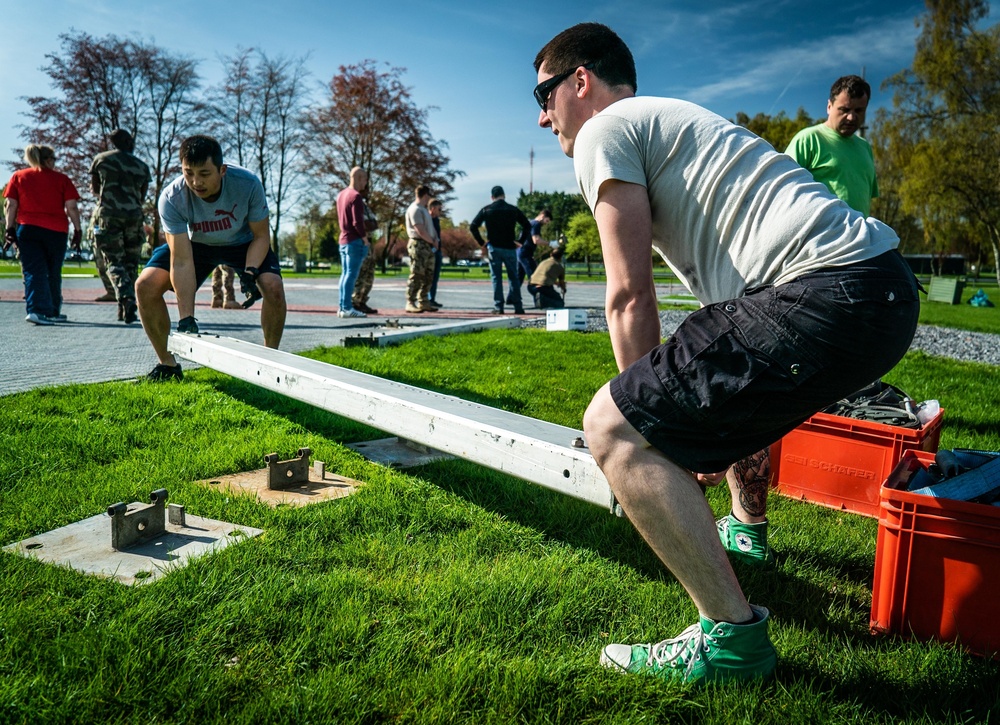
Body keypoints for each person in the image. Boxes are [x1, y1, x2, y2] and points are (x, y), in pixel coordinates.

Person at [534, 23, 918, 684]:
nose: (544, 118)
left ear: (580, 81)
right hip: (883, 290)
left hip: (826, 288)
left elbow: (628, 294)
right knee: (727, 354)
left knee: (613, 426)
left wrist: (645, 420)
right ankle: (749, 528)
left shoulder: (604, 128)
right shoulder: (679, 126)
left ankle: (732, 642)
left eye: (543, 94)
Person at [135, 134, 286, 381]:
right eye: (188, 173)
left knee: (273, 286)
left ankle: (270, 362)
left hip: (243, 242)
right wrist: (186, 318)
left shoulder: (247, 184)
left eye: (204, 174)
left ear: (222, 170)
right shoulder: (172, 198)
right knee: (145, 285)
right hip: (197, 245)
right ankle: (168, 365)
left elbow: (260, 236)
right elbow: (181, 259)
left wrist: (250, 271)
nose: (196, 182)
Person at [3, 144, 82, 325]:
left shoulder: (18, 177)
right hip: (56, 231)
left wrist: (9, 229)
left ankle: (38, 309)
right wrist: (78, 230)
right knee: (53, 271)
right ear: (47, 160)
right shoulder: (62, 179)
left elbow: (11, 205)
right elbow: (72, 207)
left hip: (28, 229)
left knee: (33, 270)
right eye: (54, 159)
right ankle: (50, 309)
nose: (55, 163)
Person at [785, 75, 878, 216]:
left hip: (859, 236)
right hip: (818, 235)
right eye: (845, 110)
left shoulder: (865, 147)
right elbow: (784, 191)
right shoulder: (808, 140)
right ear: (829, 106)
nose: (851, 117)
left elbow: (864, 200)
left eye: (859, 111)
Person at [89, 128, 151, 324]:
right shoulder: (141, 166)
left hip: (109, 215)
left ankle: (125, 298)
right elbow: (142, 195)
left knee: (114, 261)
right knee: (132, 262)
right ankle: (126, 306)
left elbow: (95, 189)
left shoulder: (101, 160)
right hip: (134, 216)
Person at [470, 185, 531, 314]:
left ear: (492, 197)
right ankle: (518, 306)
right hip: (509, 246)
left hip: (494, 247)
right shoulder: (512, 210)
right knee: (513, 277)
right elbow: (527, 225)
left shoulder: (487, 210)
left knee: (496, 278)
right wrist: (520, 241)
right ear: (504, 195)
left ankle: (499, 307)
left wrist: (482, 242)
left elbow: (473, 226)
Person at [336, 167, 371, 318]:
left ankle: (342, 307)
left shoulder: (341, 195)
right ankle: (347, 308)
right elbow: (358, 222)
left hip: (343, 240)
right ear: (357, 178)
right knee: (351, 275)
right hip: (354, 241)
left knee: (345, 274)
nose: (366, 183)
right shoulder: (355, 196)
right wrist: (365, 239)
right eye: (364, 179)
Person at [403, 185, 440, 314]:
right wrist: (432, 240)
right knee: (417, 274)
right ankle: (410, 301)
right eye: (428, 195)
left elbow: (430, 228)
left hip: (427, 245)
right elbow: (419, 229)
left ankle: (423, 301)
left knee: (428, 275)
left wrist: (435, 240)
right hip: (418, 244)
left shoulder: (423, 210)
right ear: (425, 195)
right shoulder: (415, 209)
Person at [351, 191, 379, 315]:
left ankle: (362, 300)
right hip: (361, 242)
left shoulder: (365, 206)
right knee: (360, 273)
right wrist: (369, 224)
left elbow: (375, 224)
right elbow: (365, 224)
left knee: (369, 274)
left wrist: (371, 224)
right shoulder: (356, 206)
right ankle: (355, 301)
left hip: (369, 242)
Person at [519, 208, 552, 290]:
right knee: (534, 275)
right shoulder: (536, 224)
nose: (546, 224)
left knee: (518, 277)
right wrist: (550, 243)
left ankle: (512, 297)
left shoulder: (530, 222)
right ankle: (538, 296)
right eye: (546, 221)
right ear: (542, 216)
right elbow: (536, 240)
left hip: (519, 251)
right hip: (525, 252)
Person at [428, 198, 444, 306]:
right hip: (429, 251)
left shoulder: (436, 220)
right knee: (428, 276)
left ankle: (431, 298)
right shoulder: (427, 220)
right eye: (439, 209)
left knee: (435, 277)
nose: (440, 212)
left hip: (437, 250)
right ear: (433, 209)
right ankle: (426, 299)